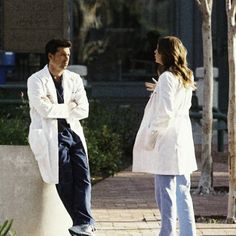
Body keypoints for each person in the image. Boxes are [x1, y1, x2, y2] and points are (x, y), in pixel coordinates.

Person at [27, 39, 96, 236]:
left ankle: (82, 223)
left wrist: (58, 108)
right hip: (51, 135)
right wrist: (69, 107)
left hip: (72, 134)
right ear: (50, 56)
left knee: (83, 178)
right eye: (62, 55)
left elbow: (84, 109)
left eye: (68, 55)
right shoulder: (35, 80)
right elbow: (43, 109)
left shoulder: (73, 79)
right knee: (64, 180)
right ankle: (82, 224)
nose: (67, 59)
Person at [132, 36, 197, 236]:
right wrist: (158, 89)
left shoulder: (167, 77)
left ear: (166, 53)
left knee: (164, 193)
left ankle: (167, 233)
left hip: (168, 139)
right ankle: (187, 233)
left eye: (157, 49)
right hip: (182, 137)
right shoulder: (186, 75)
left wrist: (151, 137)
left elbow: (165, 112)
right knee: (183, 191)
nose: (154, 52)